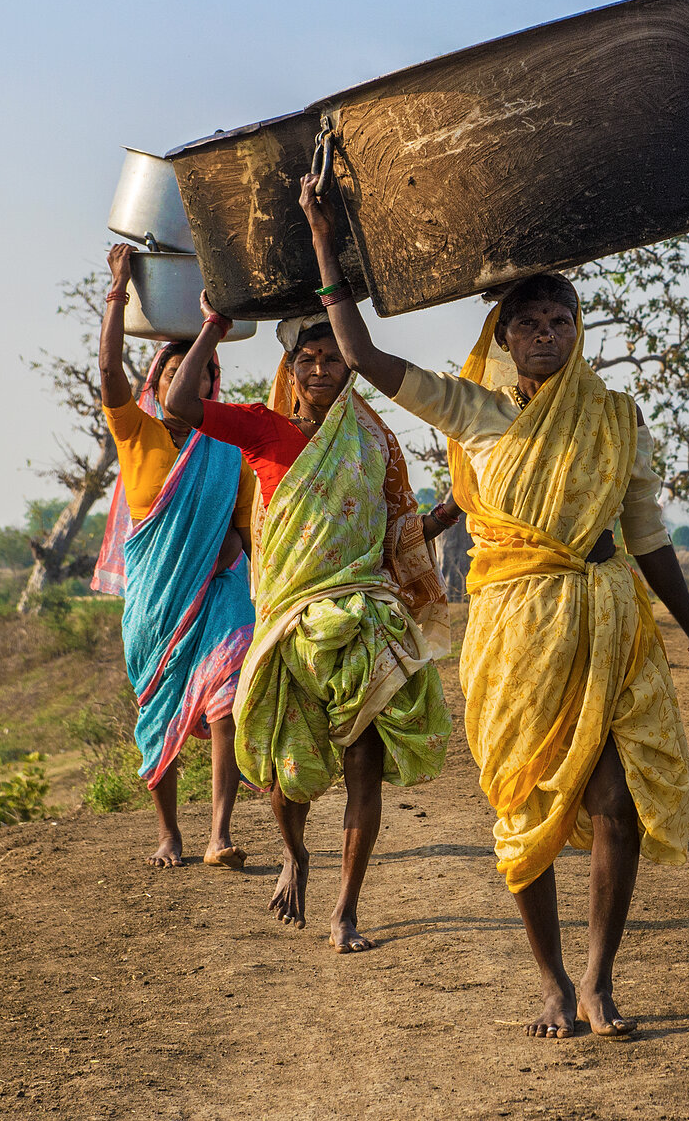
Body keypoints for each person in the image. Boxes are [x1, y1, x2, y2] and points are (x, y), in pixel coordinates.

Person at [301, 173, 689, 1037]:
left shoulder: (618, 418)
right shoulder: (476, 412)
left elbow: (649, 539)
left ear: (578, 334)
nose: (547, 334)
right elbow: (364, 356)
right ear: (503, 338)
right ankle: (548, 979)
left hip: (609, 625)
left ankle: (597, 977)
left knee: (616, 800)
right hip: (512, 635)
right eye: (531, 324)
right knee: (526, 802)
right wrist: (326, 239)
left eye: (562, 322)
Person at [160, 279, 460, 953]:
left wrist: (445, 518)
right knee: (287, 775)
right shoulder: (263, 430)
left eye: (333, 357)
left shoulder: (375, 438)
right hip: (292, 626)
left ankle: (346, 909)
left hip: (363, 620)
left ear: (350, 366)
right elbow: (179, 402)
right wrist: (213, 323)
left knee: (363, 763)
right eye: (308, 359)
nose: (321, 368)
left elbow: (394, 528)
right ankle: (295, 851)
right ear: (289, 369)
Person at [92, 243, 256, 870]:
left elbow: (242, 532)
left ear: (214, 383)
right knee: (158, 716)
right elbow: (110, 372)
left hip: (217, 595)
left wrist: (223, 552)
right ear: (158, 383)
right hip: (155, 606)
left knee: (227, 700)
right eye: (177, 372)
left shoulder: (229, 451)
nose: (194, 381)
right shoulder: (138, 432)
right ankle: (169, 834)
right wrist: (117, 292)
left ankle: (218, 831)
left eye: (206, 373)